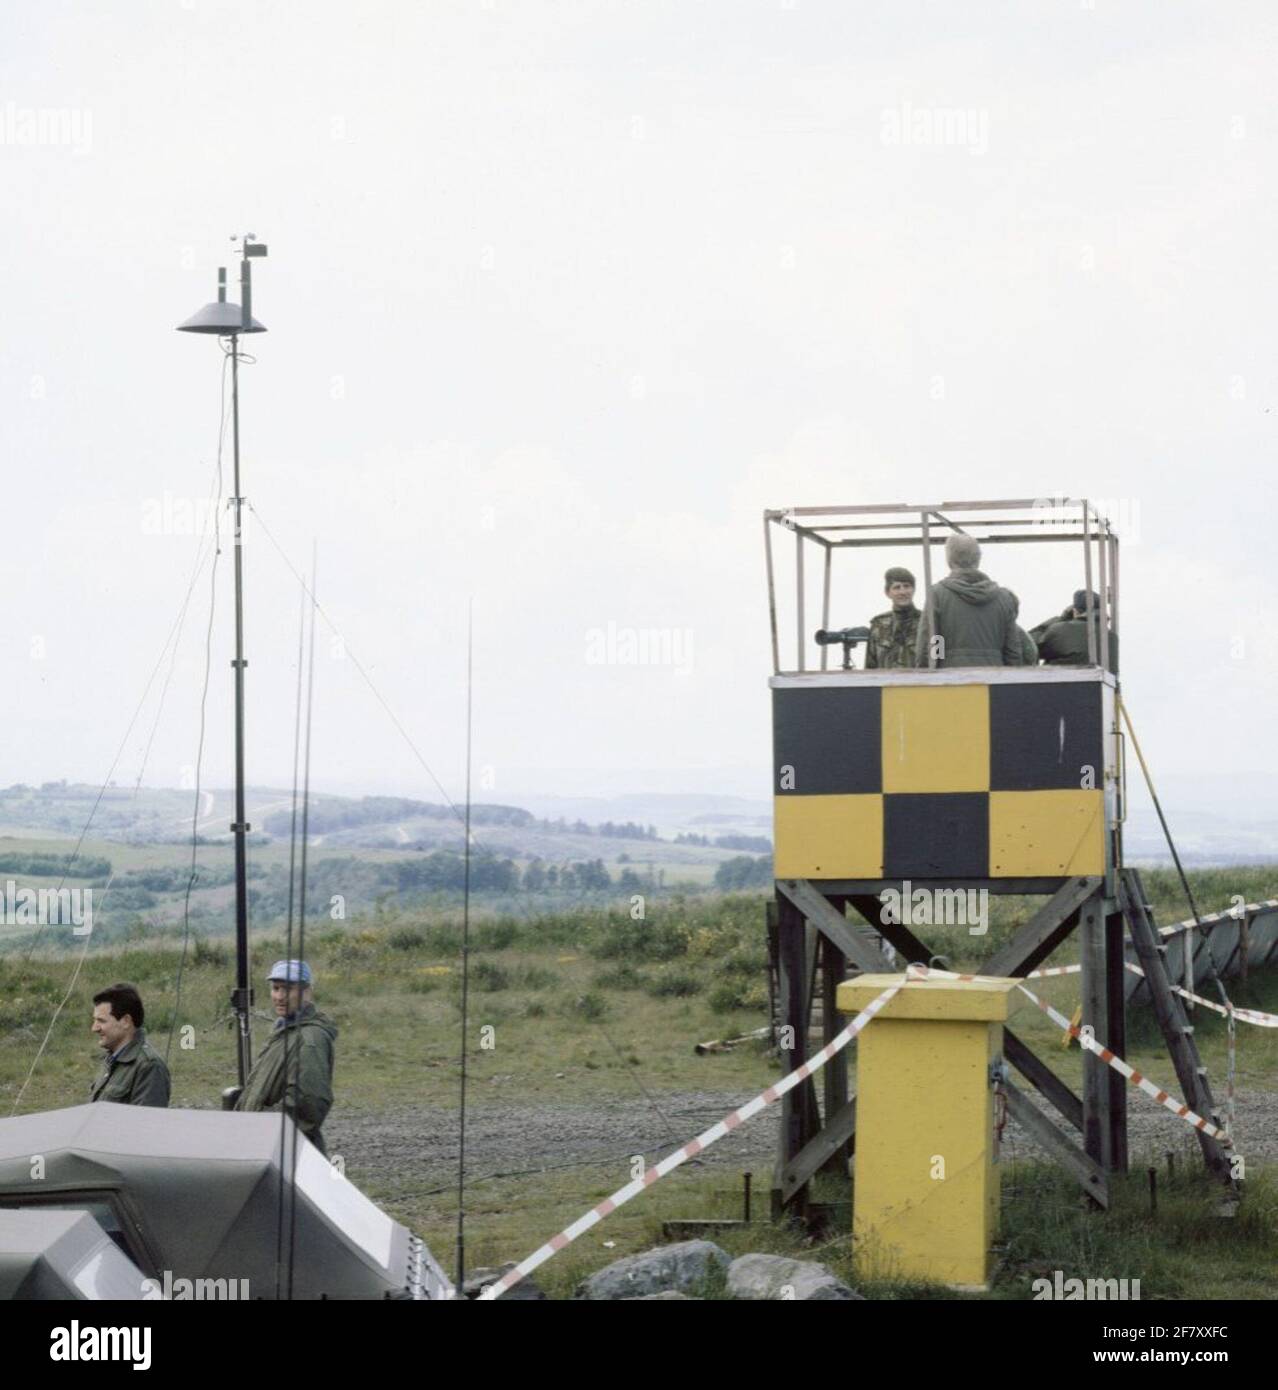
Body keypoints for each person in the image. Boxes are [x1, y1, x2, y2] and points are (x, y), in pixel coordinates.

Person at [234, 960, 337, 1156]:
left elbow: (309, 1104)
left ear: (307, 992)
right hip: (268, 1148)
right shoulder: (283, 1031)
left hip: (290, 1154)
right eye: (275, 988)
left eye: (288, 989)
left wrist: (261, 1125)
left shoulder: (309, 1040)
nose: (279, 996)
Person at [914, 534, 1023, 668]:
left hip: (951, 679)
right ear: (978, 559)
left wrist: (931, 672)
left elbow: (931, 645)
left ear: (949, 560)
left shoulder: (937, 594)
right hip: (994, 677)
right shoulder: (1004, 598)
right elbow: (1013, 651)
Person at [90, 983, 171, 1107]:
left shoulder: (149, 1067)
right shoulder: (111, 1060)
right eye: (94, 1020)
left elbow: (147, 1123)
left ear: (126, 1021)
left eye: (101, 1021)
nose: (94, 1028)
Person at [1030, 590, 1119, 674]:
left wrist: (1061, 619)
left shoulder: (1062, 630)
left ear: (1075, 611)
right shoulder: (1112, 637)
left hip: (1061, 686)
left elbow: (1029, 647)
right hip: (1097, 688)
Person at [864, 567, 921, 669]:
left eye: (906, 586)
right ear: (888, 593)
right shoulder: (878, 625)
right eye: (897, 587)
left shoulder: (929, 622)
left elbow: (939, 659)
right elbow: (870, 666)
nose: (902, 592)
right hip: (886, 684)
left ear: (913, 589)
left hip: (919, 683)